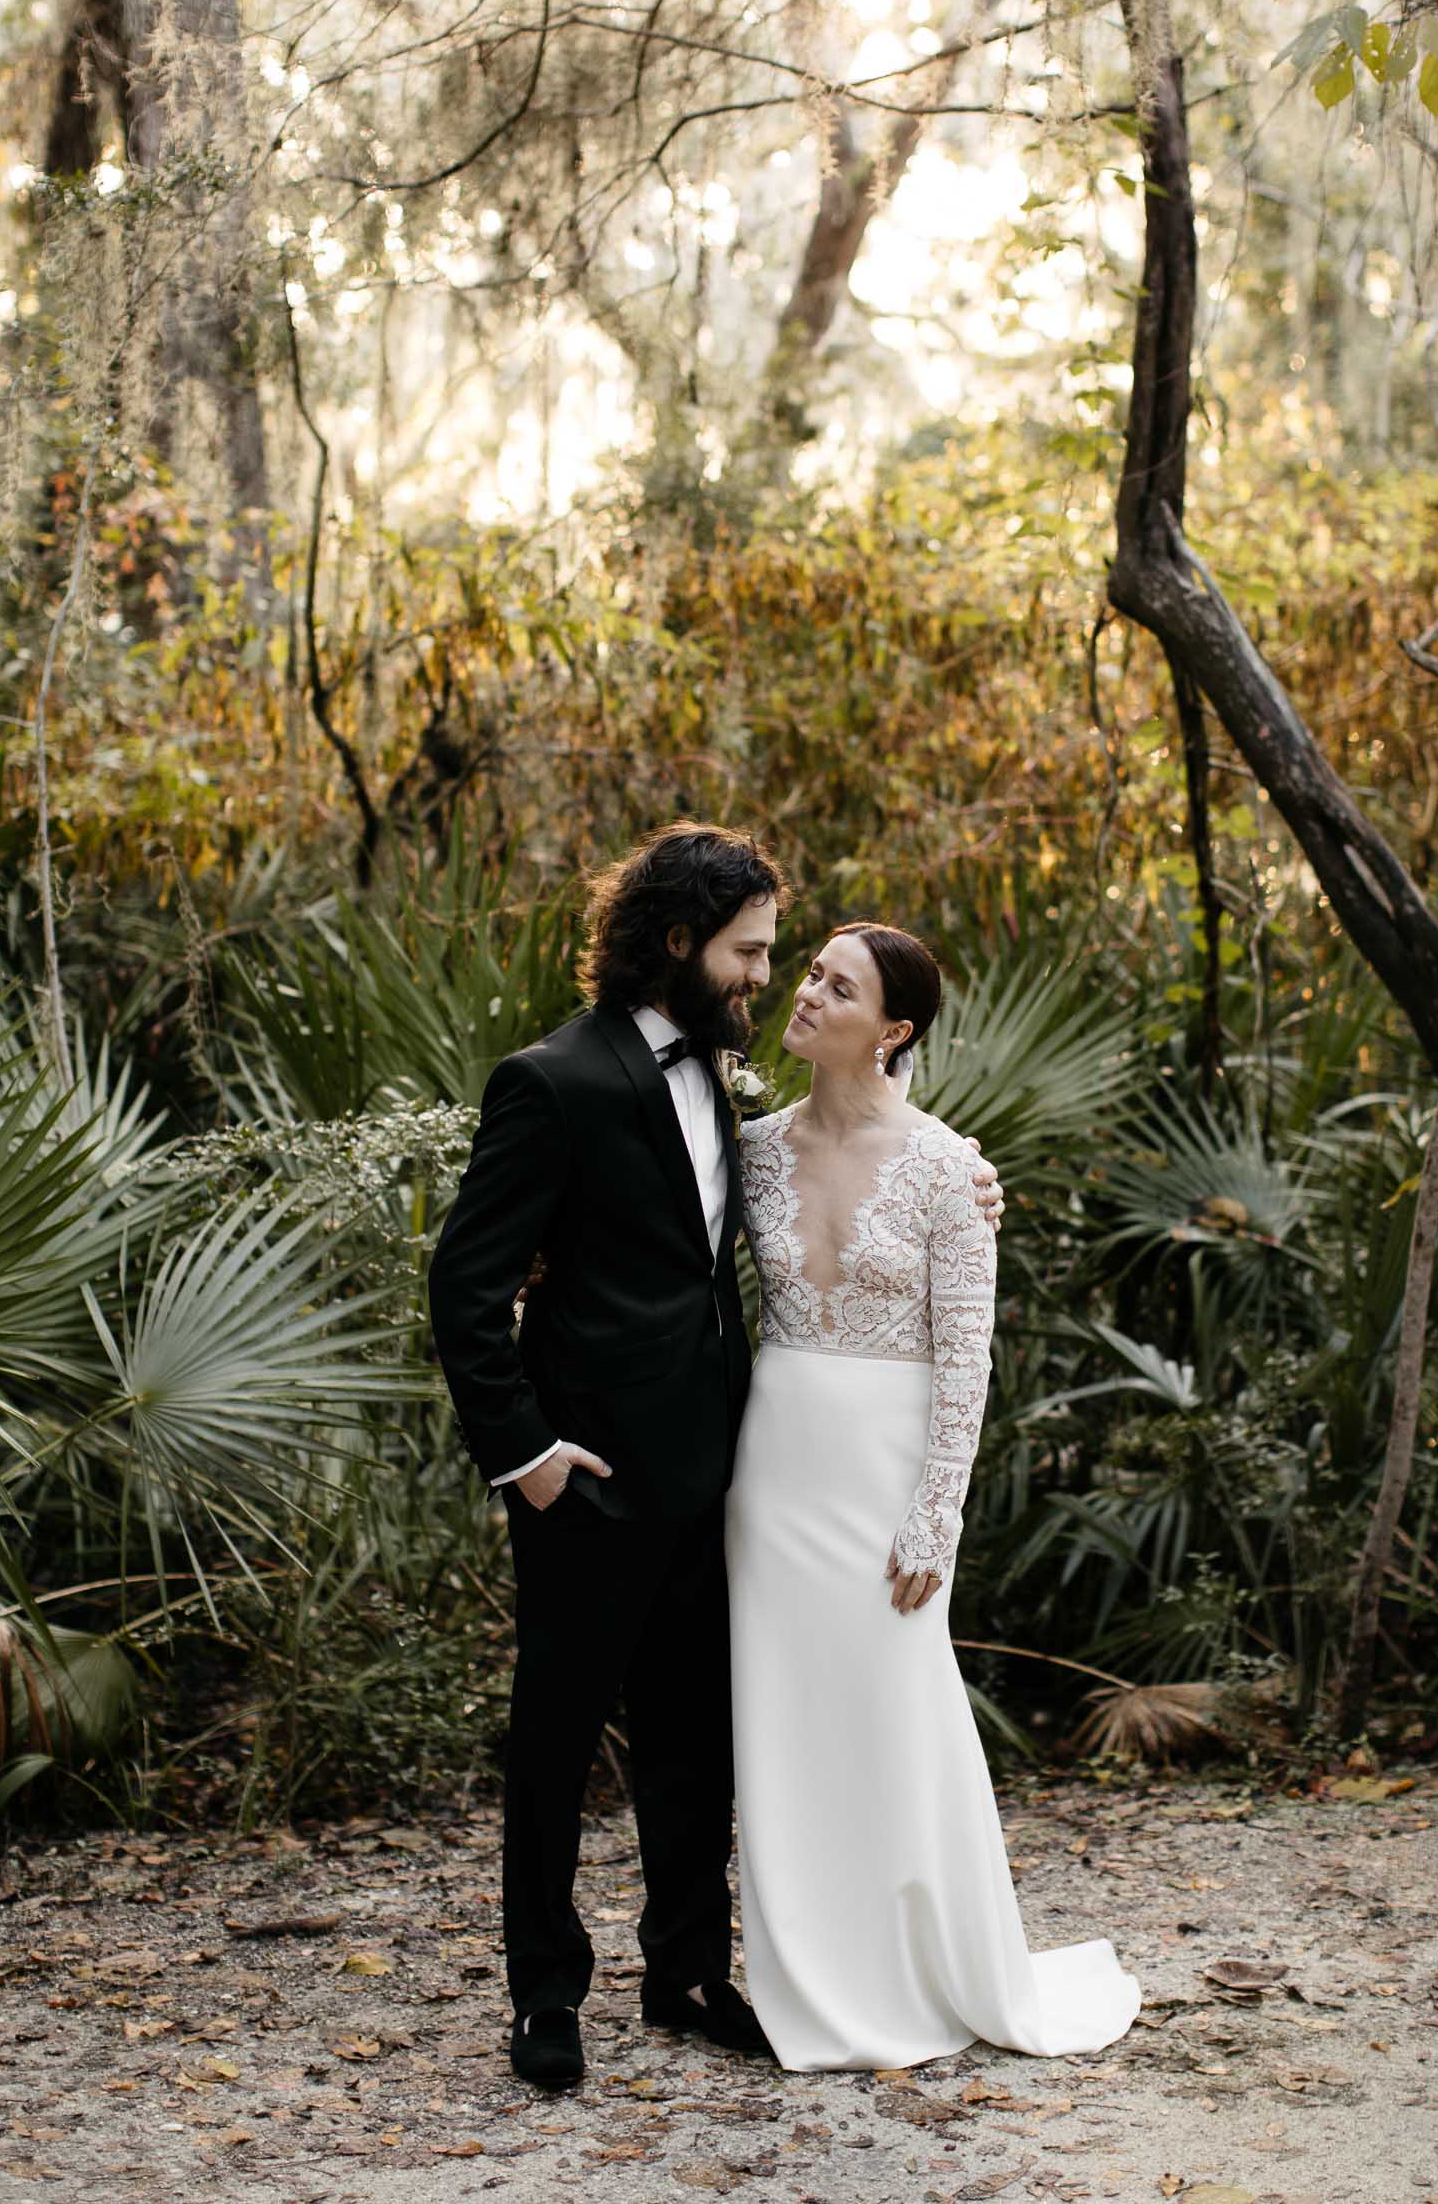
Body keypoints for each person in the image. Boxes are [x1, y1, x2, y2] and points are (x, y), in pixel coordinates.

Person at [428, 822, 1001, 2091]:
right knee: (557, 1740)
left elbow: (847, 1198)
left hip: (727, 1476)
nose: (765, 979)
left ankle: (685, 1972)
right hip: (583, 1478)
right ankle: (544, 1997)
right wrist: (521, 1452)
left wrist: (969, 1185)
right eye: (749, 956)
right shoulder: (551, 1081)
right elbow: (465, 1287)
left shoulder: (734, 1098)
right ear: (680, 945)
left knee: (695, 1738)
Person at [726, 921, 1141, 2070]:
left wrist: (934, 1513)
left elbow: (969, 1356)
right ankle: (805, 1976)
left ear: (893, 1028)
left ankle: (927, 1964)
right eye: (807, 972)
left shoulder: (952, 1167)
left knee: (896, 1708)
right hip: (773, 1468)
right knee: (783, 1713)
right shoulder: (747, 1147)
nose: (805, 992)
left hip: (887, 1468)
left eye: (836, 985)